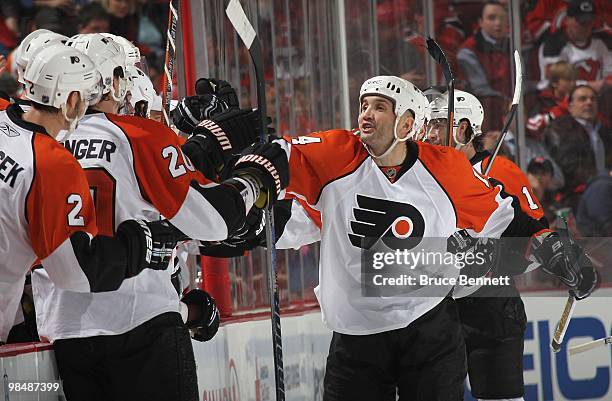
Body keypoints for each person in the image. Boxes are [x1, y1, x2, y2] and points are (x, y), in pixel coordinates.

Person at [194, 75, 598, 400]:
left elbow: (511, 222)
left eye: (379, 107)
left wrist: (553, 248)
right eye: (363, 105)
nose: (366, 114)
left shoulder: (449, 170)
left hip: (432, 327)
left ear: (407, 124)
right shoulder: (339, 155)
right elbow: (285, 186)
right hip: (357, 337)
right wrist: (239, 201)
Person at [30, 35, 288, 401]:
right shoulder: (137, 135)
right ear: (113, 79)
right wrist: (254, 180)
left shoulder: (39, 144)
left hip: (67, 332)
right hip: (141, 325)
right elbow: (214, 221)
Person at [0, 43, 180, 343]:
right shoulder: (50, 161)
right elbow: (73, 272)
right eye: (87, 97)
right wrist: (138, 245)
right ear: (71, 100)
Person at [427, 90, 547, 401]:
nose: (428, 131)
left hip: (490, 305)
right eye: (427, 123)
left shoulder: (500, 171)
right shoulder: (417, 173)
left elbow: (535, 237)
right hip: (431, 309)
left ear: (465, 129)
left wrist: (486, 251)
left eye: (438, 123)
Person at [544, 84, 612, 210]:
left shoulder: (604, 131)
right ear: (570, 106)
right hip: (574, 198)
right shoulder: (561, 129)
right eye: (582, 99)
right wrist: (603, 179)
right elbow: (570, 165)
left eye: (593, 99)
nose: (589, 103)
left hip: (605, 192)